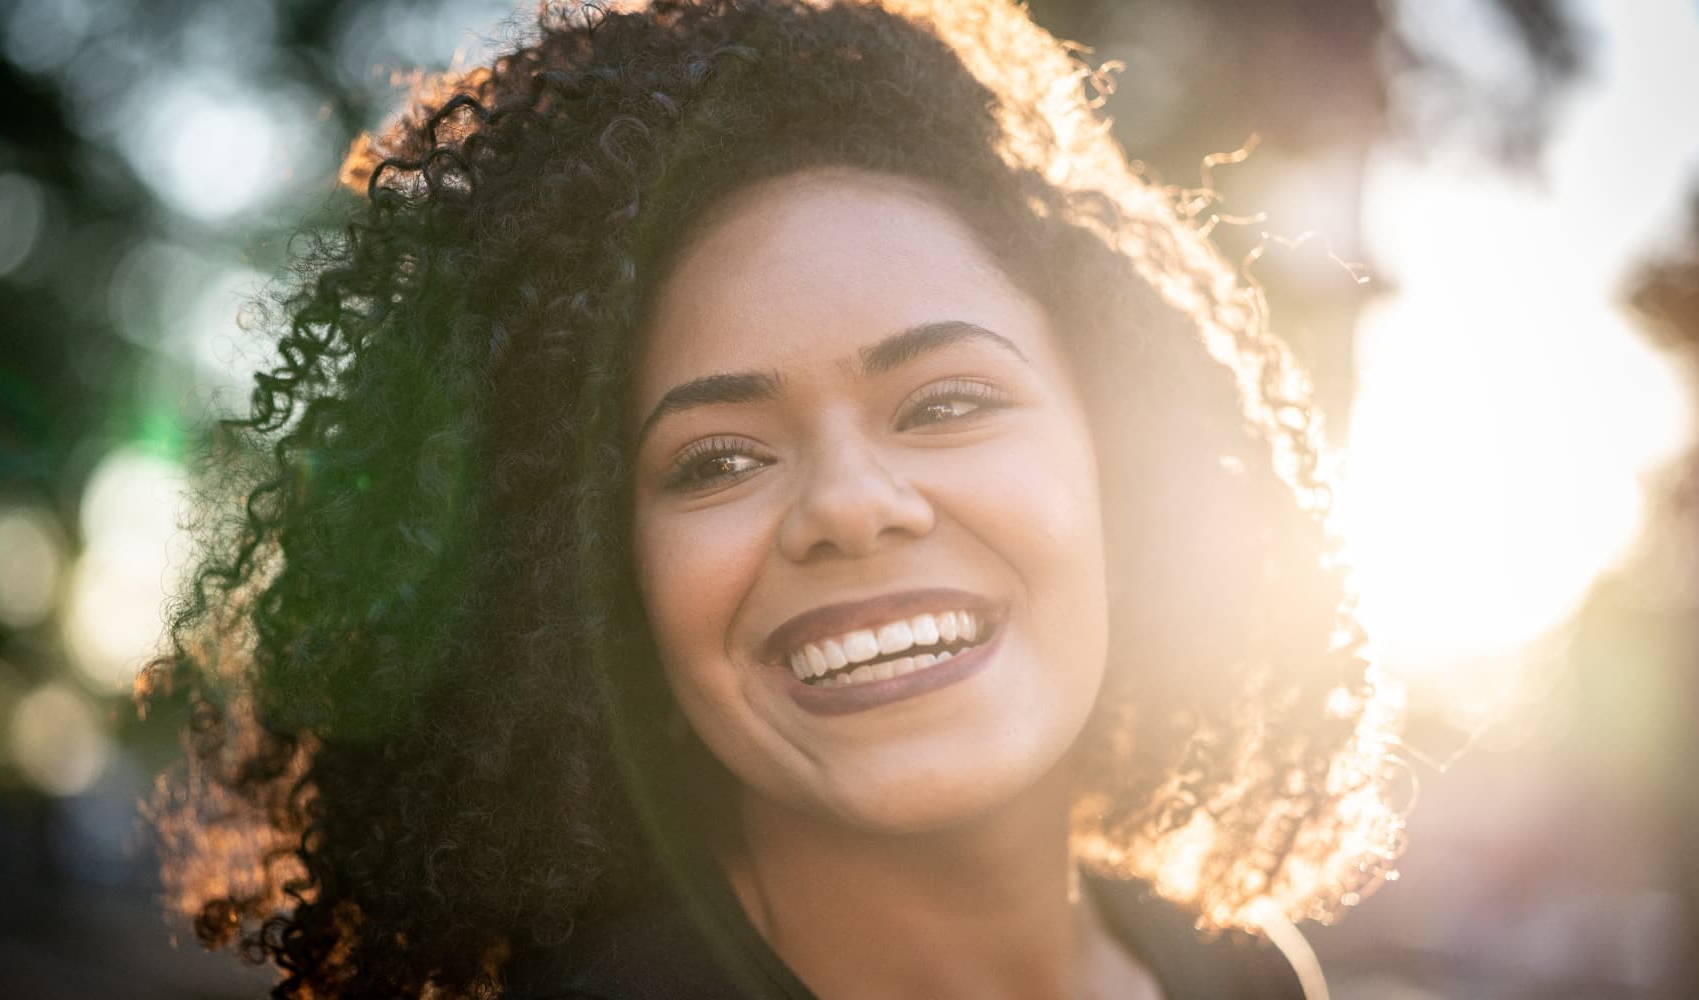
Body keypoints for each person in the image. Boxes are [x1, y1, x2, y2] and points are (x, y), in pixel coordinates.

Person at [141, 0, 1407, 997]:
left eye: (949, 402)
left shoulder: (1239, 974)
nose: (851, 505)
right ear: (591, 592)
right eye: (717, 461)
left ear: (1118, 461)